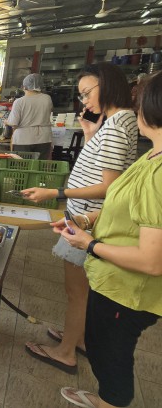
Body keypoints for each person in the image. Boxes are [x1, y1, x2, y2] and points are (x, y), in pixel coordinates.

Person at [51, 70, 162, 408]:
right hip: (111, 271)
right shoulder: (151, 154)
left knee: (111, 356)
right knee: (101, 344)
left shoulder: (156, 170)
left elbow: (152, 260)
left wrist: (90, 243)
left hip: (127, 288)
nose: (135, 108)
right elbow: (121, 201)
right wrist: (86, 220)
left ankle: (109, 401)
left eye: (141, 102)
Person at [22, 62, 138, 376]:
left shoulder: (116, 126)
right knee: (81, 289)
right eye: (81, 95)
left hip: (88, 218)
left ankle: (65, 352)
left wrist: (56, 193)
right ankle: (79, 337)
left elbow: (109, 186)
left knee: (77, 291)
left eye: (87, 93)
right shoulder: (114, 123)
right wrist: (89, 133)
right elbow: (98, 166)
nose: (83, 101)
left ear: (109, 85)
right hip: (86, 214)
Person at [6, 73, 54, 159]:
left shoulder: (19, 102)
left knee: (22, 167)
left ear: (24, 87)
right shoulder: (47, 98)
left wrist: (6, 121)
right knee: (41, 166)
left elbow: (14, 123)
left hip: (23, 139)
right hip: (44, 138)